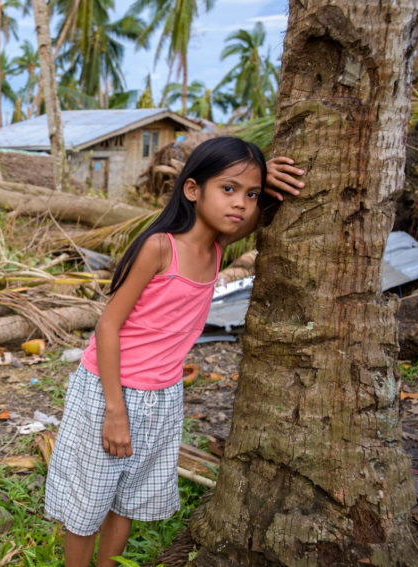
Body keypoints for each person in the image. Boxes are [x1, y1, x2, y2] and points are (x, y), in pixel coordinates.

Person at [44, 136, 304, 567]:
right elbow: (109, 325)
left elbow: (255, 218)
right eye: (228, 188)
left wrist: (267, 182)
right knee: (87, 501)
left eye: (250, 194)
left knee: (126, 498)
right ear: (192, 189)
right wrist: (115, 410)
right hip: (110, 391)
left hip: (162, 396)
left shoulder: (216, 246)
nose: (240, 203)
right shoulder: (160, 247)